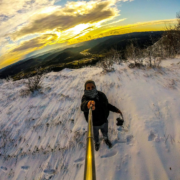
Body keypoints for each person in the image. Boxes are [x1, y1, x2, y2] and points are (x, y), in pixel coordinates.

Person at [81, 80, 123, 151]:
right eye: (88, 88)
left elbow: (107, 105)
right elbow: (83, 106)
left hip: (104, 121)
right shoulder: (85, 98)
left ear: (95, 87)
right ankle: (97, 143)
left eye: (92, 87)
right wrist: (88, 105)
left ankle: (106, 139)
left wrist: (116, 109)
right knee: (96, 135)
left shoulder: (101, 95)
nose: (90, 89)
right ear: (85, 89)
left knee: (105, 132)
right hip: (94, 124)